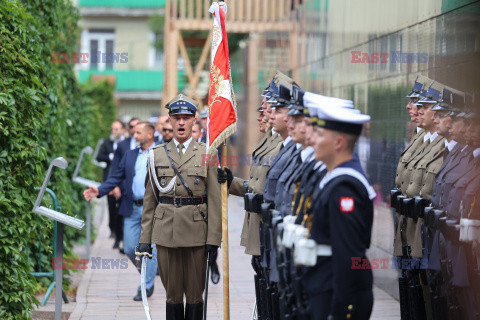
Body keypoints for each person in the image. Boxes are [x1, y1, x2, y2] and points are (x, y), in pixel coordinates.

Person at [137, 94, 222, 320]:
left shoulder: (207, 154)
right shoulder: (156, 156)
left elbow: (214, 200)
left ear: (195, 121)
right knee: (172, 294)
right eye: (177, 118)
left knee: (195, 295)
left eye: (186, 117)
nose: (181, 122)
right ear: (170, 122)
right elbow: (150, 201)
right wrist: (144, 240)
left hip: (197, 232)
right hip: (166, 232)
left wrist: (214, 239)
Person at [303, 92, 375, 320]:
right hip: (326, 291)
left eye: (319, 133)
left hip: (338, 298)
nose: (312, 139)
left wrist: (339, 310)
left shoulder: (344, 188)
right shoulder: (336, 181)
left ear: (339, 142)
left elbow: (349, 257)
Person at [83, 122, 158, 301]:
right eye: (134, 132)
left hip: (154, 209)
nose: (135, 135)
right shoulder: (130, 155)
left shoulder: (161, 154)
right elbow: (116, 176)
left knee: (151, 249)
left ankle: (146, 286)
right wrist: (100, 190)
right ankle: (146, 272)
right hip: (131, 207)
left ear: (150, 135)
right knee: (131, 248)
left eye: (139, 132)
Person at [96, 120, 125, 249]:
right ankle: (112, 229)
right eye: (112, 129)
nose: (114, 131)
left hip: (123, 180)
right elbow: (99, 157)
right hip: (109, 177)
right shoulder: (107, 142)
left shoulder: (126, 143)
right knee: (111, 205)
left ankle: (121, 235)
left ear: (122, 130)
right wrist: (110, 157)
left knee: (122, 207)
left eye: (116, 129)